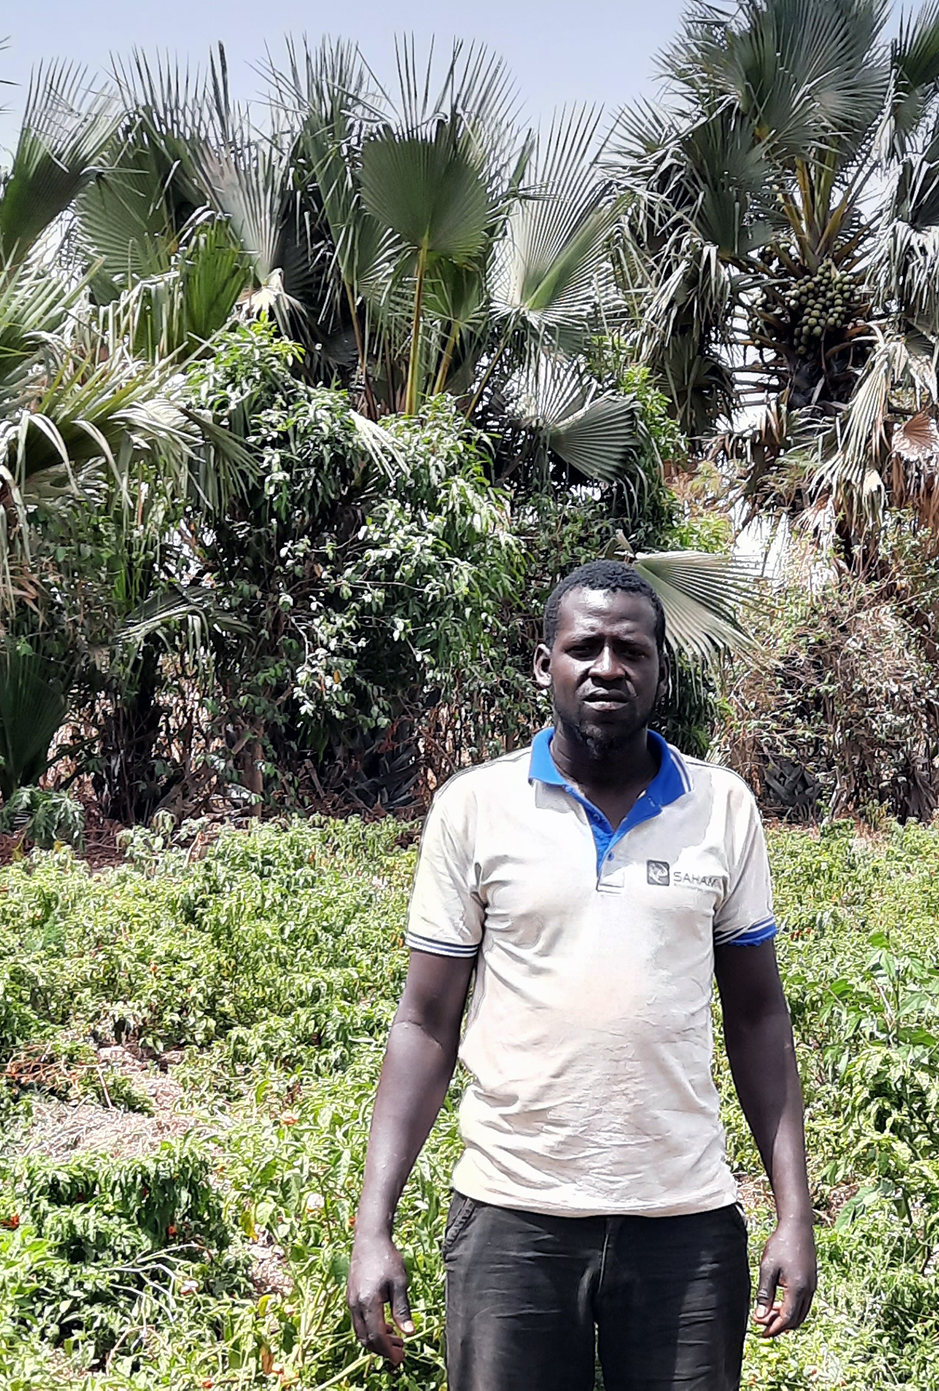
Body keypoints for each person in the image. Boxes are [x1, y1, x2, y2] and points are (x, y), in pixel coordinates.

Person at [346, 560, 816, 1390]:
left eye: (631, 650)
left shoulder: (721, 808)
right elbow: (423, 1021)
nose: (607, 667)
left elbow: (757, 1018)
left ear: (660, 671)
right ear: (544, 664)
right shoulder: (475, 807)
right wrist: (371, 1224)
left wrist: (794, 1211)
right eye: (584, 647)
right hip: (511, 1218)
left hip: (683, 1224)